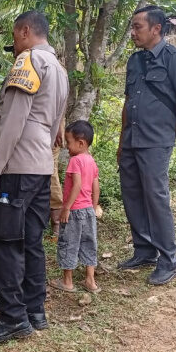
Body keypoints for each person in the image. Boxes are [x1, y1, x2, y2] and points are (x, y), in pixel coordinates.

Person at [0, 10, 68, 344]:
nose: (15, 44)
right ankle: (35, 311)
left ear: (25, 31)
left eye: (16, 36)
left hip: (16, 166)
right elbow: (56, 125)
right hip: (41, 167)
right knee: (31, 240)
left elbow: (15, 117)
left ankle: (13, 317)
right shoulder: (59, 68)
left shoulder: (29, 61)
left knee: (5, 242)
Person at [117, 5, 176, 285]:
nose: (133, 32)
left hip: (156, 142)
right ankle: (144, 250)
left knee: (156, 198)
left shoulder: (174, 58)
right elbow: (129, 102)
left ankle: (169, 260)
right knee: (133, 195)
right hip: (131, 139)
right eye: (132, 26)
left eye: (138, 27)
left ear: (156, 29)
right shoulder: (134, 61)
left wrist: (172, 133)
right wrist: (121, 140)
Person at [50, 120, 100, 294]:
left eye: (68, 142)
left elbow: (76, 185)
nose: (66, 146)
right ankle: (90, 280)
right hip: (87, 211)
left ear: (81, 143)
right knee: (89, 243)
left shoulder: (75, 161)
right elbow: (95, 186)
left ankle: (67, 281)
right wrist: (93, 208)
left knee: (69, 243)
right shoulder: (91, 161)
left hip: (74, 211)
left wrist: (66, 208)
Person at [49, 118, 66, 236]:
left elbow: (62, 101)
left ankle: (57, 222)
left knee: (51, 173)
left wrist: (59, 125)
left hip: (51, 126)